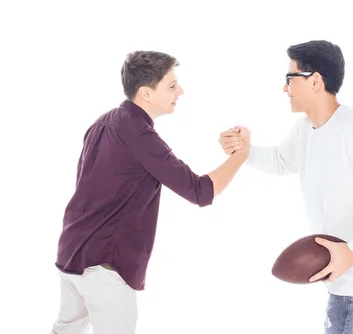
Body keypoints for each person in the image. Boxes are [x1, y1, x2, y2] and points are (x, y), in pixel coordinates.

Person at [219, 40, 353, 333]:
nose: (284, 88)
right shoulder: (306, 128)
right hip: (343, 277)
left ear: (314, 81)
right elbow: (281, 160)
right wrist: (245, 151)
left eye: (290, 79)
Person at [49, 50, 250, 334]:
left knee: (65, 330)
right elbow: (200, 192)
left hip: (72, 253)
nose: (180, 91)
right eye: (171, 85)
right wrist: (241, 155)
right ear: (145, 93)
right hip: (104, 268)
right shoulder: (138, 133)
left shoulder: (104, 121)